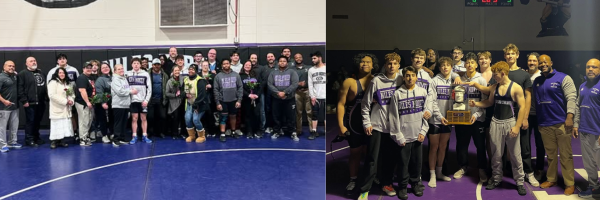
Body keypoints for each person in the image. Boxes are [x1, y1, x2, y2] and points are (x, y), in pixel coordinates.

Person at [469, 61, 527, 196]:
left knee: (515, 154)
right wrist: (476, 103)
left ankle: (519, 182)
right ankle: (496, 178)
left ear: (503, 73)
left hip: (510, 123)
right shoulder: (495, 87)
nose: (494, 78)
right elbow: (489, 102)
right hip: (495, 122)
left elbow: (522, 107)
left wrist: (517, 126)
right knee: (496, 154)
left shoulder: (516, 88)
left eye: (495, 75)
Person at [358, 52, 402, 199]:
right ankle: (365, 189)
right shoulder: (376, 81)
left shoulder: (402, 80)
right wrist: (367, 122)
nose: (392, 66)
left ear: (398, 66)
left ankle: (386, 183)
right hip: (376, 125)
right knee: (372, 159)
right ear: (385, 65)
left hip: (393, 128)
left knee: (389, 159)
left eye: (395, 63)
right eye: (389, 63)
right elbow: (365, 103)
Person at [533, 54, 576, 195]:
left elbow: (571, 98)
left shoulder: (564, 78)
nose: (543, 64)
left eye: (545, 61)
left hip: (561, 124)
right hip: (545, 125)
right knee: (550, 155)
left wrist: (570, 117)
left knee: (565, 155)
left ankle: (569, 183)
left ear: (551, 63)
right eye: (540, 62)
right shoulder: (537, 81)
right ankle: (552, 179)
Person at [337, 52, 377, 195]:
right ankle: (353, 179)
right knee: (355, 153)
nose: (365, 64)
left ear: (373, 65)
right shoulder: (349, 82)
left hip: (374, 124)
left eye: (368, 62)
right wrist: (341, 126)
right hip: (355, 124)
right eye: (362, 61)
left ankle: (371, 177)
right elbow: (341, 104)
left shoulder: (378, 80)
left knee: (371, 153)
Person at [388, 66, 430, 200]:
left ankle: (416, 183)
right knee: (403, 164)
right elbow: (393, 117)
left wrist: (423, 131)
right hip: (404, 137)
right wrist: (398, 136)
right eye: (407, 75)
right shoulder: (397, 94)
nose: (410, 78)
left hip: (418, 135)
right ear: (403, 77)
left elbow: (426, 114)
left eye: (412, 75)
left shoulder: (423, 92)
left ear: (416, 77)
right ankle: (403, 186)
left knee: (417, 163)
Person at [454, 52, 489, 182]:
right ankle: (463, 166)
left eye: (472, 62)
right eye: (467, 62)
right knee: (462, 145)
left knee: (480, 146)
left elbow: (484, 100)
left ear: (476, 64)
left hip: (477, 119)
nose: (469, 65)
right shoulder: (460, 79)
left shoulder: (480, 79)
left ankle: (482, 169)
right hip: (462, 118)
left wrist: (476, 114)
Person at [574, 58, 600, 198]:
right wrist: (576, 125)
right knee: (588, 163)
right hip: (584, 131)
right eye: (588, 67)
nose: (590, 69)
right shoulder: (582, 86)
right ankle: (594, 186)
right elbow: (578, 106)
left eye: (594, 67)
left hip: (597, 133)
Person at [426, 56, 454, 188]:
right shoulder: (434, 81)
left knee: (443, 147)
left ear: (451, 67)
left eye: (448, 65)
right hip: (435, 120)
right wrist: (439, 116)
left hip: (448, 120)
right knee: (434, 147)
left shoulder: (454, 80)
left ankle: (439, 172)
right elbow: (432, 101)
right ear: (439, 67)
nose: (445, 67)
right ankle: (432, 175)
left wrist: (450, 116)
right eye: (443, 65)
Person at [18, 56, 47, 147]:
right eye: (31, 61)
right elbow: (20, 88)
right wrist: (24, 100)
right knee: (30, 121)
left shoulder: (41, 72)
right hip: (30, 103)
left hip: (41, 102)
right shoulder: (23, 74)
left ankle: (36, 137)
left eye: (34, 60)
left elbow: (45, 86)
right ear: (27, 64)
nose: (33, 62)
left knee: (38, 121)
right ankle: (29, 139)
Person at [268, 56, 299, 140]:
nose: (282, 62)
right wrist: (278, 93)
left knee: (291, 116)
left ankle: (292, 132)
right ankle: (277, 131)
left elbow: (295, 83)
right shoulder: (273, 72)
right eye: (280, 61)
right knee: (276, 116)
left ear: (287, 62)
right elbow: (270, 84)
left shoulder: (292, 72)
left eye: (284, 61)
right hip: (276, 98)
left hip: (289, 98)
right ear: (278, 63)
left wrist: (285, 92)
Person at [526, 52, 546, 181]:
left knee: (540, 144)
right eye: (530, 60)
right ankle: (526, 168)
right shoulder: (524, 75)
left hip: (540, 116)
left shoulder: (542, 76)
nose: (532, 63)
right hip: (526, 114)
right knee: (525, 144)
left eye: (534, 61)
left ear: (538, 62)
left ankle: (539, 168)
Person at [214, 59, 243, 142]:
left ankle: (233, 132)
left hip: (234, 100)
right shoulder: (218, 76)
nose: (226, 65)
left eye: (227, 63)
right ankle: (222, 133)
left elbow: (240, 88)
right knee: (223, 117)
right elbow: (215, 90)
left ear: (230, 64)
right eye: (224, 64)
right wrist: (218, 102)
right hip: (223, 100)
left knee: (233, 116)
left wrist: (239, 100)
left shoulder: (236, 75)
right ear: (222, 65)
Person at [126, 58, 152, 144]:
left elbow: (149, 89)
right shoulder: (128, 74)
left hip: (143, 101)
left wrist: (146, 100)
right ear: (132, 65)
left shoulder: (145, 74)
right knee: (134, 119)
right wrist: (130, 93)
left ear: (140, 65)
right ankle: (134, 136)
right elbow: (125, 87)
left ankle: (145, 135)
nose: (136, 65)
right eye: (134, 63)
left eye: (138, 63)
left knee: (143, 118)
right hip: (133, 101)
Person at [47, 67, 74, 149]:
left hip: (66, 109)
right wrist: (65, 101)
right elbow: (52, 95)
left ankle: (62, 140)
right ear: (56, 74)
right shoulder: (53, 82)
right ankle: (54, 141)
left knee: (63, 124)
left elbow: (71, 94)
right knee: (56, 124)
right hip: (57, 108)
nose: (62, 74)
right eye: (60, 73)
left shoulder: (68, 83)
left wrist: (71, 100)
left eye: (63, 73)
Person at [183, 64, 208, 143]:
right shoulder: (186, 79)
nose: (191, 71)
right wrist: (185, 94)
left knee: (195, 119)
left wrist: (196, 106)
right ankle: (192, 135)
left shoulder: (201, 80)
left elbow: (202, 95)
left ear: (196, 71)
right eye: (190, 69)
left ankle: (202, 136)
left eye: (193, 69)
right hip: (189, 103)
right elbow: (182, 91)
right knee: (187, 119)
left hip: (199, 105)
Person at [111, 64, 135, 146]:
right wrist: (131, 91)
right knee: (118, 123)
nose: (121, 70)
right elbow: (120, 92)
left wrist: (130, 91)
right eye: (119, 69)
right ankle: (116, 139)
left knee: (124, 123)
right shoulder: (115, 80)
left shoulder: (124, 79)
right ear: (115, 71)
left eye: (122, 68)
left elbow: (126, 89)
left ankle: (121, 138)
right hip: (118, 105)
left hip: (125, 104)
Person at [0, 60, 21, 152]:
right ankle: (2, 145)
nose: (12, 67)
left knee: (14, 126)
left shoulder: (15, 76)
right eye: (9, 66)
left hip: (14, 106)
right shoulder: (1, 77)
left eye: (13, 66)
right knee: (2, 127)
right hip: (4, 108)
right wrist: (4, 101)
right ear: (4, 67)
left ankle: (12, 142)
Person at [240, 61, 262, 138]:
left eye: (249, 65)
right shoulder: (240, 76)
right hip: (246, 99)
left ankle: (257, 130)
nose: (248, 66)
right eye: (246, 65)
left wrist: (257, 95)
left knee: (257, 114)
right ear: (243, 66)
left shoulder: (256, 75)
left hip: (256, 99)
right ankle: (249, 131)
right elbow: (240, 88)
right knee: (247, 115)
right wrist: (248, 95)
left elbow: (260, 86)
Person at [74, 63, 95, 146]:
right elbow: (82, 91)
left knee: (88, 120)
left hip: (89, 102)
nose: (89, 69)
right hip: (82, 103)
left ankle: (85, 136)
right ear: (83, 69)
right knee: (83, 120)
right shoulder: (82, 78)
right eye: (87, 68)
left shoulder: (90, 78)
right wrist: (87, 102)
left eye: (90, 68)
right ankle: (82, 139)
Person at [94, 62, 115, 144]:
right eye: (103, 68)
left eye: (107, 67)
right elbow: (99, 92)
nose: (105, 68)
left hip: (112, 102)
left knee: (112, 118)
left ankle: (112, 133)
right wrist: (103, 103)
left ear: (109, 68)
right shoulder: (100, 79)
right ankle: (104, 135)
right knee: (103, 119)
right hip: (102, 103)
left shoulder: (113, 78)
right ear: (100, 70)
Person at [148, 58, 169, 139]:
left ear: (160, 65)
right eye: (155, 64)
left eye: (158, 64)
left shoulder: (165, 75)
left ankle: (160, 132)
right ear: (152, 65)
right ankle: (150, 132)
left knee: (162, 117)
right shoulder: (148, 74)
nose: (156, 66)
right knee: (150, 117)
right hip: (150, 99)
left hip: (161, 99)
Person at [293, 52, 312, 137]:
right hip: (297, 92)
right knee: (298, 112)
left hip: (308, 91)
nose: (298, 59)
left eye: (300, 57)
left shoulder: (309, 68)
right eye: (296, 58)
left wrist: (305, 84)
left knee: (309, 112)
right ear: (294, 59)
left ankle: (312, 130)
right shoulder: (292, 69)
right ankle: (298, 130)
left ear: (302, 58)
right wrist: (297, 84)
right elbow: (290, 81)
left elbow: (312, 79)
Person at [308, 52, 326, 139]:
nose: (313, 60)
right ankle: (314, 131)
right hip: (316, 96)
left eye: (314, 58)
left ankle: (326, 132)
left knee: (325, 116)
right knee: (314, 115)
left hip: (325, 96)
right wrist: (312, 96)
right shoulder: (311, 70)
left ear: (320, 58)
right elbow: (310, 84)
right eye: (312, 59)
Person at [199, 61, 217, 138]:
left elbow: (216, 85)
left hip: (210, 98)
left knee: (210, 115)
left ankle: (212, 131)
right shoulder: (198, 75)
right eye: (204, 65)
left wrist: (211, 86)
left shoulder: (213, 75)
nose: (205, 67)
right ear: (201, 66)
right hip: (201, 98)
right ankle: (204, 131)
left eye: (207, 65)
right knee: (202, 116)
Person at [165, 66, 184, 139]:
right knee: (175, 118)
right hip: (174, 103)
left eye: (178, 70)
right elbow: (167, 93)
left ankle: (183, 133)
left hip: (182, 101)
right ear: (172, 72)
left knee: (183, 118)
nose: (177, 72)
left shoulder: (183, 79)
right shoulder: (170, 81)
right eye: (175, 70)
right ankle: (174, 134)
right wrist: (175, 95)